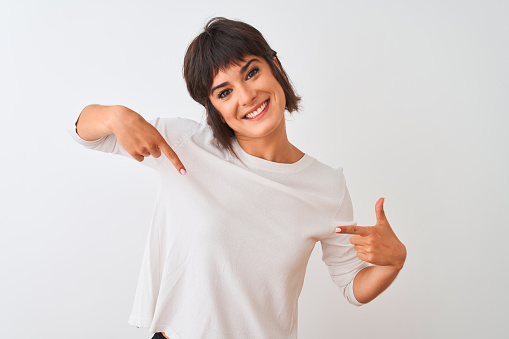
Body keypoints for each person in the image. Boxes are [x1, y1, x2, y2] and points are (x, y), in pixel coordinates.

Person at [68, 17, 406, 339]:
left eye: (252, 72)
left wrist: (393, 263)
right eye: (224, 92)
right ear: (213, 106)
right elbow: (86, 133)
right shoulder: (185, 145)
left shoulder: (326, 185)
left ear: (276, 67)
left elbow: (352, 285)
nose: (246, 97)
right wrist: (114, 115)